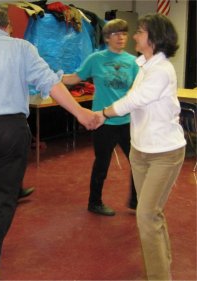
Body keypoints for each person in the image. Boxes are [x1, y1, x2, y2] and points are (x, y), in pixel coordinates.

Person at [0, 9, 102, 281]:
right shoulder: (22, 48)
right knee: (2, 196)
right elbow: (51, 84)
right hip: (12, 130)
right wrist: (81, 114)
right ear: (8, 27)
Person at [100, 14, 186, 280]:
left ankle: (159, 277)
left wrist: (103, 113)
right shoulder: (144, 66)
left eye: (140, 31)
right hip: (140, 151)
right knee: (152, 216)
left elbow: (135, 100)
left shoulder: (161, 70)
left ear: (153, 38)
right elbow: (131, 98)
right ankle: (162, 267)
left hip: (165, 154)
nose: (135, 36)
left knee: (147, 215)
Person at [62, 19, 139, 216]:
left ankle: (136, 201)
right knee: (102, 164)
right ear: (107, 38)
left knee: (138, 163)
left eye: (124, 33)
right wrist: (50, 77)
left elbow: (139, 91)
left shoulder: (132, 62)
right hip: (102, 122)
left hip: (127, 122)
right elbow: (73, 79)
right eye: (116, 34)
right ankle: (94, 202)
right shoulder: (95, 59)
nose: (121, 37)